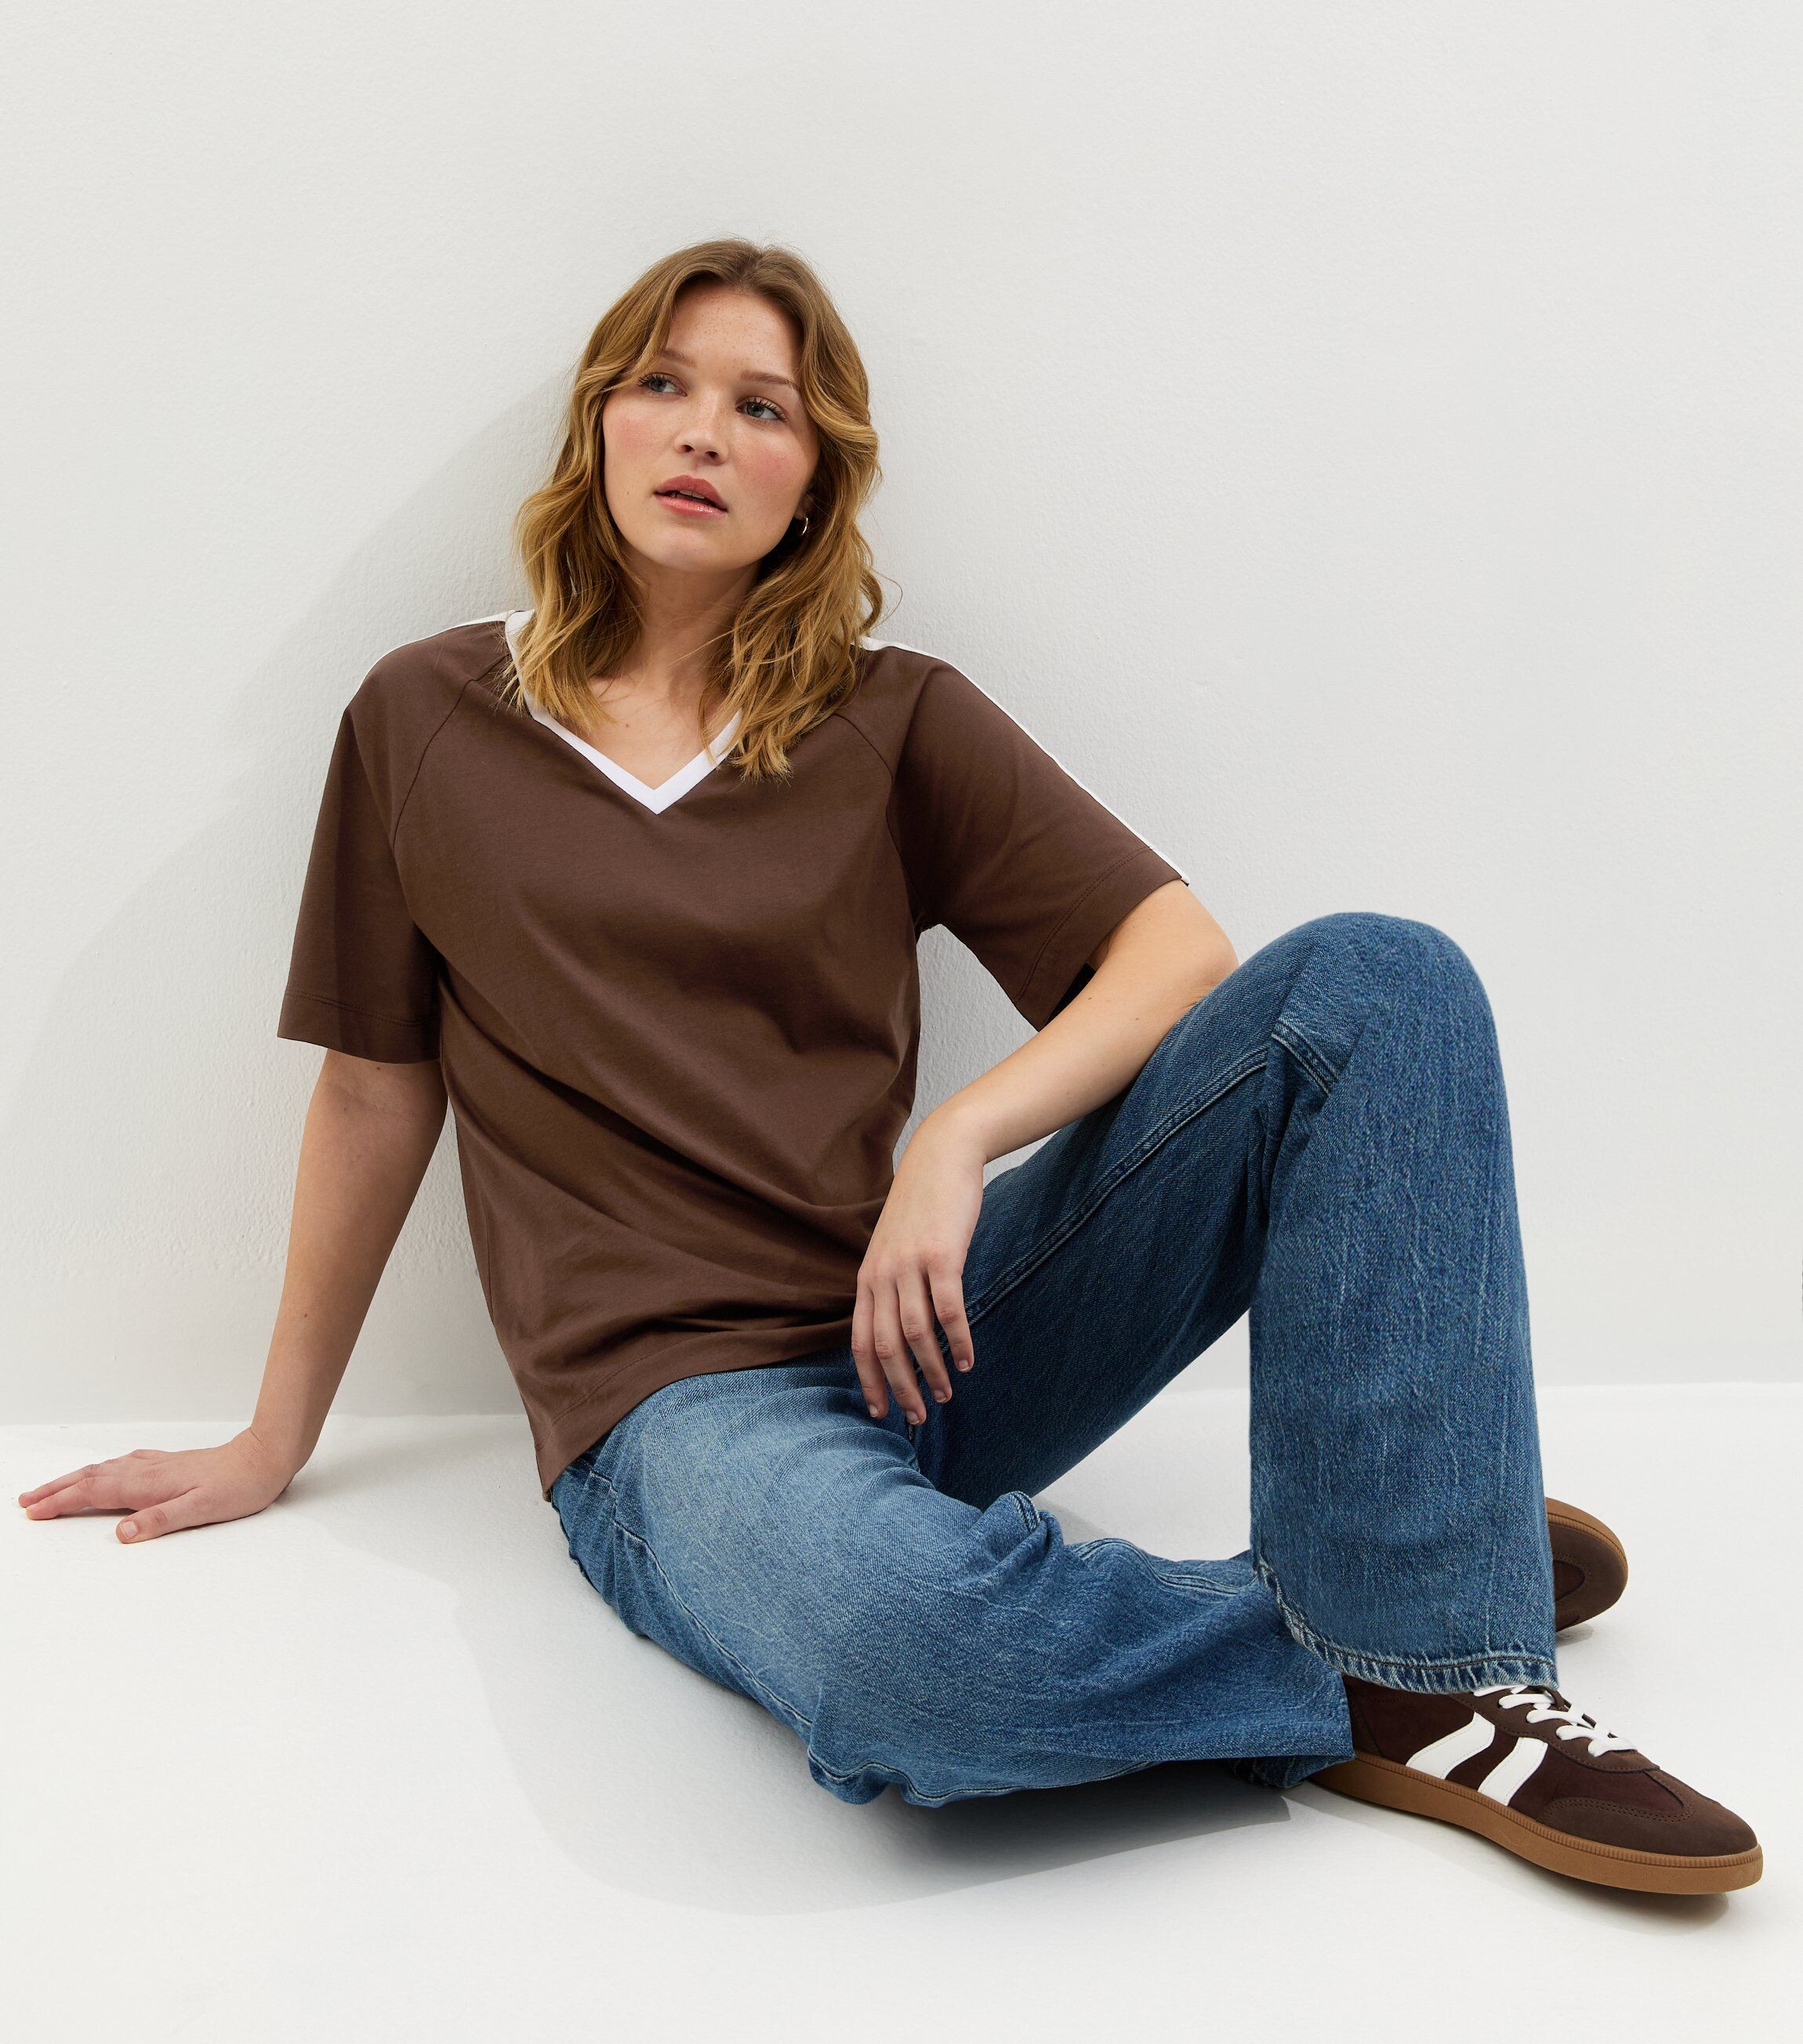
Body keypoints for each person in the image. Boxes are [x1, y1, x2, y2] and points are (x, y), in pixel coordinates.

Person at [17, 238, 1761, 1897]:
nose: (703, 430)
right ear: (598, 427)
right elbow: (373, 1086)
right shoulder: (424, 717)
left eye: (761, 406)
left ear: (812, 481)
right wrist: (273, 1436)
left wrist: (957, 1139)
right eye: (661, 383)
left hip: (925, 1321)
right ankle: (1407, 1599)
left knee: (1379, 982)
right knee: (915, 1659)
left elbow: (1177, 953)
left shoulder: (888, 714)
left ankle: (1427, 1608)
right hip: (676, 1414)